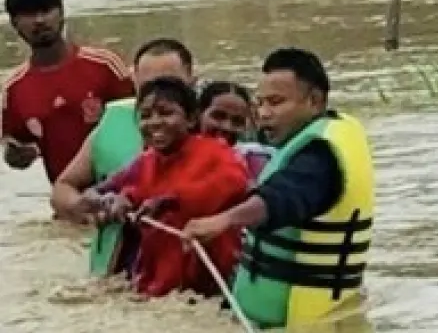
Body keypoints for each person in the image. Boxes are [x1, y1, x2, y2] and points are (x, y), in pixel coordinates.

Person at [182, 47, 374, 329]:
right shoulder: (300, 138)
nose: (264, 113)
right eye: (259, 103)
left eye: (275, 102)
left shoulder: (320, 157)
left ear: (314, 101)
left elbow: (281, 198)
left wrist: (225, 220)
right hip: (272, 326)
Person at [86, 77, 250, 300]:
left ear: (191, 119)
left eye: (165, 113)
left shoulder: (220, 154)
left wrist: (171, 201)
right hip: (154, 286)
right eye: (145, 116)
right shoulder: (145, 162)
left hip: (210, 289)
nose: (154, 122)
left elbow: (231, 184)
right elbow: (96, 193)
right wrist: (115, 200)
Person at [50, 37, 195, 277]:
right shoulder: (112, 124)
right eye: (149, 87)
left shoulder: (217, 126)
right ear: (134, 84)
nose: (160, 96)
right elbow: (62, 188)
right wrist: (83, 208)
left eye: (171, 86)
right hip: (117, 270)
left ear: (192, 82)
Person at [1, 0, 132, 182]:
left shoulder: (105, 65)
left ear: (61, 13)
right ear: (15, 23)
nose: (40, 20)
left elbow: (140, 123)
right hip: (69, 199)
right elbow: (16, 149)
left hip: (124, 191)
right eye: (30, 14)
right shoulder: (14, 89)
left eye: (46, 11)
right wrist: (18, 156)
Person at [197, 80, 273, 180]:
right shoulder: (177, 155)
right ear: (198, 114)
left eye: (237, 121)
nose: (227, 127)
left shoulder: (254, 159)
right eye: (218, 116)